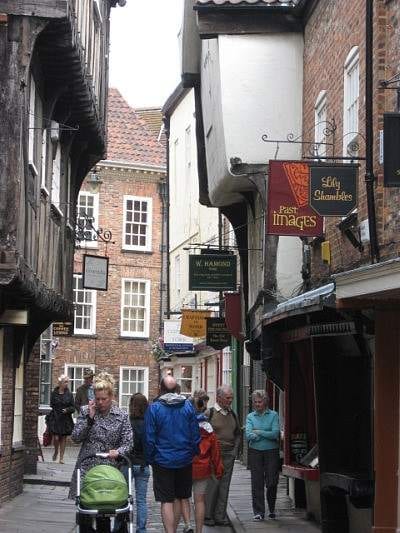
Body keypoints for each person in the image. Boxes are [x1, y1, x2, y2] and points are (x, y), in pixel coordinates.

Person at [69, 372, 133, 532]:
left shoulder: (122, 415)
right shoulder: (86, 411)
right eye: (97, 398)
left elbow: (128, 442)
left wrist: (118, 452)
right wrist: (89, 419)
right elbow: (76, 437)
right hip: (87, 468)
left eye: (104, 399)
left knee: (105, 512)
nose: (100, 402)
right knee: (85, 512)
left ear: (111, 396)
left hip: (109, 470)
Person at [144, 375, 200, 533]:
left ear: (160, 389)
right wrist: (194, 452)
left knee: (166, 500)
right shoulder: (187, 407)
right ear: (176, 389)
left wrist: (150, 458)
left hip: (162, 460)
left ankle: (170, 531)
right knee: (181, 496)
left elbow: (149, 437)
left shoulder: (154, 408)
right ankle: (179, 527)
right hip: (184, 459)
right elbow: (195, 433)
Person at [204, 385, 241, 527]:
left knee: (225, 486)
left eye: (231, 397)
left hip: (229, 454)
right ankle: (208, 516)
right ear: (219, 398)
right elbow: (203, 434)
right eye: (228, 398)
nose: (230, 400)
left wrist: (235, 450)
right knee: (213, 484)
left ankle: (220, 516)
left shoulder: (233, 414)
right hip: (214, 455)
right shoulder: (210, 413)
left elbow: (238, 433)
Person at [114, 392, 150, 533]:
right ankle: (141, 529)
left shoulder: (127, 421)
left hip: (126, 463)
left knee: (122, 499)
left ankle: (118, 527)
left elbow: (120, 442)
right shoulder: (148, 424)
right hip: (142, 465)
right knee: (141, 500)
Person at [245, 390, 280, 521]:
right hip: (255, 452)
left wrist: (258, 432)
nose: (257, 404)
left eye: (260, 402)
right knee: (257, 482)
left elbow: (275, 434)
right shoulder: (250, 417)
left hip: (271, 451)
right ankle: (259, 512)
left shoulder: (273, 415)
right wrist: (266, 433)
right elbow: (248, 435)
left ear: (265, 402)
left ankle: (271, 508)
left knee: (272, 481)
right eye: (255, 402)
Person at [191, 396, 224, 533]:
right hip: (203, 468)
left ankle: (186, 525)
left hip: (186, 466)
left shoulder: (184, 426)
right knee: (200, 501)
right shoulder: (209, 429)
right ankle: (199, 531)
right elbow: (215, 451)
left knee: (182, 500)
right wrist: (218, 469)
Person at [46, 374, 75, 464]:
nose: (67, 384)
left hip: (65, 418)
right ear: (60, 383)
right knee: (56, 438)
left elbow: (73, 407)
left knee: (63, 438)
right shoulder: (54, 393)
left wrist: (67, 410)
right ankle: (56, 451)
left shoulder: (69, 395)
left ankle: (61, 458)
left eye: (67, 382)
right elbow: (51, 405)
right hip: (55, 417)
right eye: (65, 382)